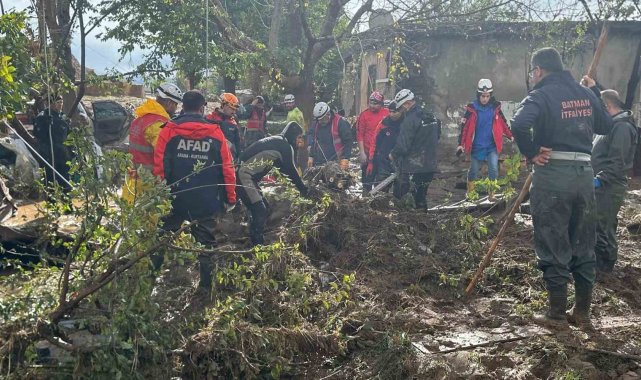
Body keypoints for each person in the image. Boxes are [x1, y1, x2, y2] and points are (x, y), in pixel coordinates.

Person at [511, 47, 613, 329]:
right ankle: (582, 313)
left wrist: (531, 151)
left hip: (553, 173)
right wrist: (595, 92)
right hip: (584, 175)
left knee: (553, 240)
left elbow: (518, 123)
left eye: (533, 72)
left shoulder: (540, 94)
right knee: (583, 243)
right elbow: (605, 124)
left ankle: (556, 314)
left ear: (539, 71)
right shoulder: (584, 94)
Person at [154, 90, 237, 291]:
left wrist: (160, 196)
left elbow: (160, 168)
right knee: (206, 245)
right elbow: (227, 169)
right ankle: (205, 290)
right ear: (202, 109)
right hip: (205, 200)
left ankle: (148, 281)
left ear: (183, 106)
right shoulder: (216, 133)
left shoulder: (168, 130)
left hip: (175, 198)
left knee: (161, 240)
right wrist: (230, 198)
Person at [581, 77, 638, 274]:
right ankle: (601, 263)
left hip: (609, 186)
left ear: (606, 107)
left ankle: (604, 267)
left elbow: (617, 162)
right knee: (602, 223)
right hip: (603, 184)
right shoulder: (611, 124)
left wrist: (599, 179)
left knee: (602, 226)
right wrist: (593, 87)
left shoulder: (621, 128)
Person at [237, 122, 308, 245]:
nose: (300, 141)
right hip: (244, 176)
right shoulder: (285, 146)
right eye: (298, 137)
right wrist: (304, 190)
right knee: (260, 210)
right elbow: (291, 171)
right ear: (293, 136)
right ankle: (256, 245)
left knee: (264, 207)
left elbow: (283, 171)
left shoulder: (279, 142)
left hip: (245, 176)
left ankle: (253, 233)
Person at [123, 83, 182, 202]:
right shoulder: (158, 124)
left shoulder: (140, 119)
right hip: (148, 187)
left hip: (131, 183)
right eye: (176, 105)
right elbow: (166, 155)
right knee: (148, 220)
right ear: (169, 103)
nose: (176, 109)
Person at [458, 79, 513, 200]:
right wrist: (460, 144)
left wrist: (510, 135)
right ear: (479, 95)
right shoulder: (472, 108)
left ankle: (492, 194)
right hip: (477, 146)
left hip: (491, 145)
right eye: (483, 96)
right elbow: (464, 128)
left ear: (490, 96)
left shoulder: (495, 108)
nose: (485, 99)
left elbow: (503, 123)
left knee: (493, 168)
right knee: (474, 170)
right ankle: (471, 192)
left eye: (487, 96)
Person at [390, 89, 441, 210]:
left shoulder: (410, 120)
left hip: (413, 168)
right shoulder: (431, 116)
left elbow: (403, 145)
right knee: (421, 197)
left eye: (402, 107)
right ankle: (423, 223)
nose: (402, 110)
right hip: (430, 165)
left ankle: (409, 224)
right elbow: (437, 136)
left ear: (407, 103)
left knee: (408, 200)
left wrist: (393, 154)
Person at [33, 94, 73, 192]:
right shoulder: (43, 117)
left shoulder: (63, 117)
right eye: (58, 102)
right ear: (50, 104)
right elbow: (38, 135)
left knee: (67, 184)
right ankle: (52, 205)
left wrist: (71, 151)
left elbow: (69, 136)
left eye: (61, 102)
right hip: (49, 156)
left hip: (63, 156)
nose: (60, 104)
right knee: (50, 184)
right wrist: (45, 125)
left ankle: (67, 204)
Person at [357, 91, 390, 194]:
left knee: (381, 180)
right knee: (367, 179)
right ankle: (365, 199)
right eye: (371, 103)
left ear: (381, 104)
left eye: (375, 103)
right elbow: (360, 135)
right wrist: (362, 153)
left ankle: (379, 200)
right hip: (367, 152)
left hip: (382, 153)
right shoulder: (364, 115)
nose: (372, 106)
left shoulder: (387, 114)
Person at [366, 101, 404, 190]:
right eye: (390, 111)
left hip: (401, 161)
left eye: (394, 112)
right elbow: (374, 142)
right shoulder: (383, 123)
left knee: (401, 190)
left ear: (401, 111)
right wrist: (371, 161)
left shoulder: (406, 123)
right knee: (381, 189)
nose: (391, 114)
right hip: (384, 160)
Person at [307, 102, 353, 170]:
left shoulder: (340, 122)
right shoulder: (317, 123)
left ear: (328, 114)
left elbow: (348, 141)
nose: (320, 122)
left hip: (336, 162)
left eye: (322, 119)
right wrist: (311, 155)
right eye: (318, 120)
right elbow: (311, 135)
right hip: (319, 163)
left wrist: (346, 158)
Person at [207, 93, 242, 159]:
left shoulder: (233, 122)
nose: (234, 112)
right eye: (232, 109)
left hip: (228, 157)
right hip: (212, 156)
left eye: (235, 109)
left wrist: (239, 157)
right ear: (225, 105)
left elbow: (237, 142)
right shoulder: (211, 118)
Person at [284, 94, 307, 171]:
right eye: (287, 103)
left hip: (295, 140)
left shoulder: (297, 112)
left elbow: (301, 126)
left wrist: (301, 138)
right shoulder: (290, 112)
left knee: (296, 159)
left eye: (290, 103)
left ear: (293, 102)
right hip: (290, 139)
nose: (288, 105)